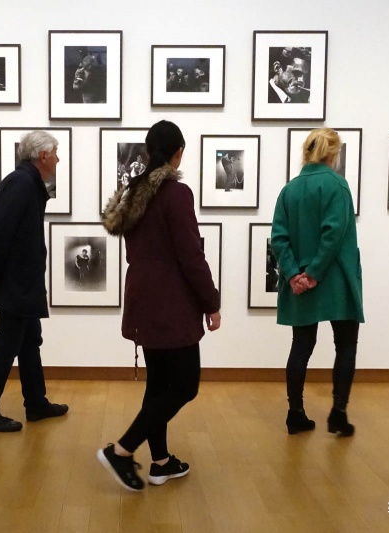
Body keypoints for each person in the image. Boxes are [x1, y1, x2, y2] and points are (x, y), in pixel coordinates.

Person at [98, 120, 221, 491]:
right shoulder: (176, 194)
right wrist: (211, 302)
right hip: (172, 301)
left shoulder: (134, 193)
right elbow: (190, 255)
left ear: (150, 151)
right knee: (185, 385)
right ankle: (121, 451)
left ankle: (161, 462)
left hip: (143, 296)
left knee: (159, 383)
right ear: (178, 152)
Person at [0, 131, 69, 432]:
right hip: (16, 282)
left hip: (24, 280)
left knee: (29, 342)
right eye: (55, 152)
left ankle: (36, 403)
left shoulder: (28, 183)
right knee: (7, 344)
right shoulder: (22, 183)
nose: (58, 158)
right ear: (42, 155)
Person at [270, 127, 363, 437]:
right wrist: (315, 273)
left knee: (301, 346)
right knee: (346, 344)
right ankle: (338, 413)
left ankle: (295, 413)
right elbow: (333, 234)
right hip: (336, 278)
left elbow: (279, 238)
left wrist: (296, 274)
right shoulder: (338, 185)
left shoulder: (290, 190)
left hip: (301, 281)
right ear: (332, 154)